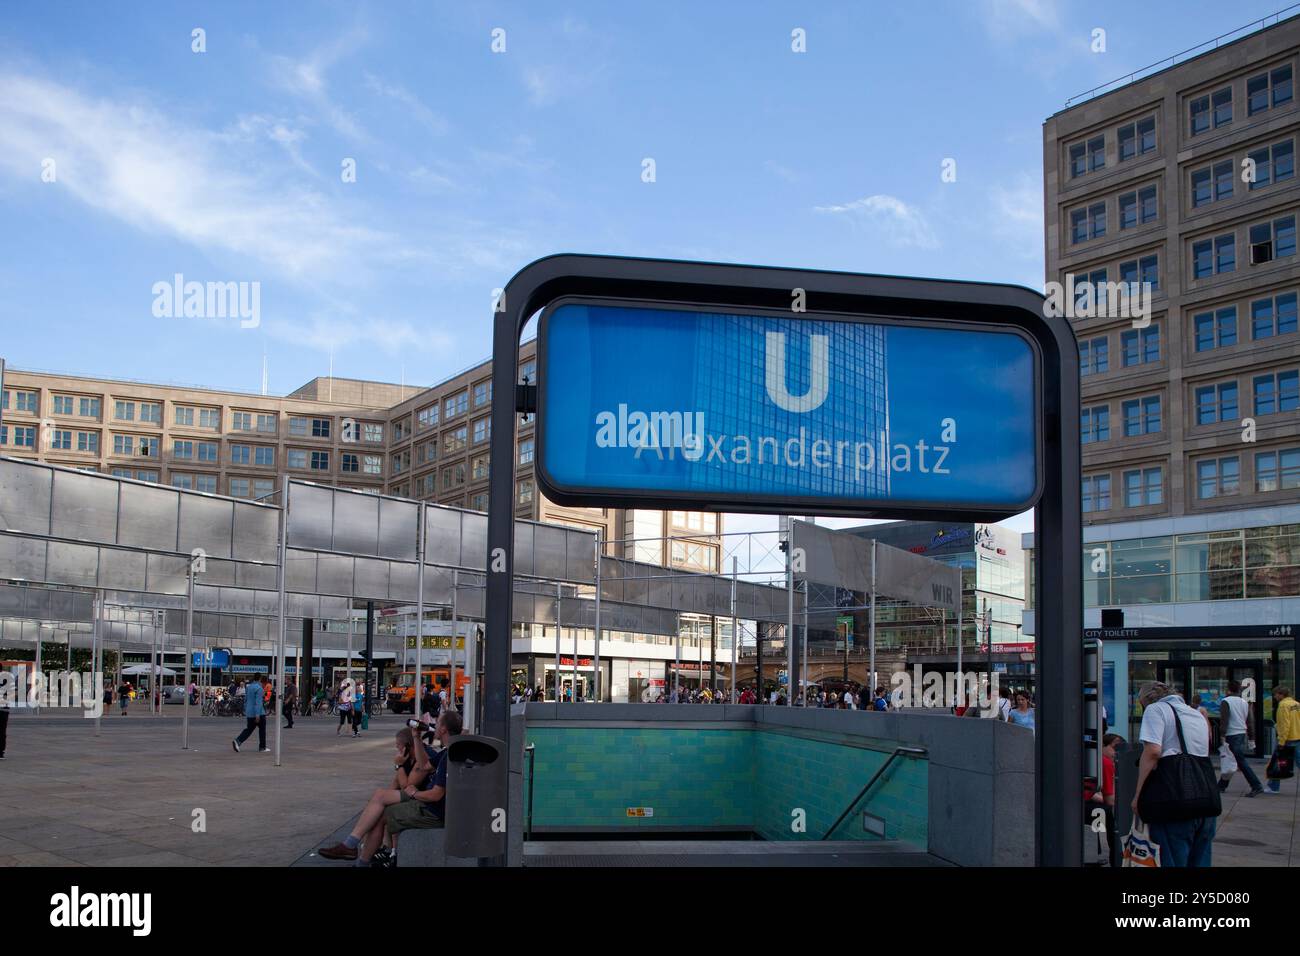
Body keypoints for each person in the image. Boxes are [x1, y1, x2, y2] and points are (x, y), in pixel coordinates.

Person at [1131, 681, 1218, 868]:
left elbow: (1153, 751)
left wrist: (1138, 795)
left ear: (1146, 700)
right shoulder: (1196, 713)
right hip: (1205, 800)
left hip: (1174, 801)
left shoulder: (1156, 710)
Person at [317, 727, 433, 865]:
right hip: (412, 798)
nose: (397, 749)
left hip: (422, 799)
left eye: (398, 746)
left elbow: (407, 786)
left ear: (408, 746)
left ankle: (351, 846)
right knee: (376, 810)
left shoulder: (424, 757)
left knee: (379, 798)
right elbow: (394, 785)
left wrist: (399, 766)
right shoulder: (409, 758)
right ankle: (355, 851)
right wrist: (376, 804)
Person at [382, 710, 464, 863]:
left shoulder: (449, 756)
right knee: (384, 806)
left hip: (433, 813)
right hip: (432, 808)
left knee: (385, 813)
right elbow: (425, 765)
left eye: (438, 722)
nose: (435, 725)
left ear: (444, 729)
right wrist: (416, 737)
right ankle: (385, 853)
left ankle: (382, 855)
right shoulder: (447, 751)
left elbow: (436, 794)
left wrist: (414, 794)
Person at [1218, 679, 1264, 796]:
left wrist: (1222, 735)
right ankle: (1221, 785)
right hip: (1241, 733)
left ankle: (1256, 785)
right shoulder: (1244, 702)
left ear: (1228, 689)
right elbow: (1250, 721)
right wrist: (1251, 737)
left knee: (1239, 761)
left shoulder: (1225, 701)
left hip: (1231, 734)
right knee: (1233, 759)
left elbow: (1225, 720)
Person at [1267, 686, 1300, 793]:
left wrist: (1281, 741)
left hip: (1287, 739)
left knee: (1277, 763)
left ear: (1281, 694)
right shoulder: (1296, 704)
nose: (1274, 697)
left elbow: (1285, 725)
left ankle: (1273, 787)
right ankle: (1273, 786)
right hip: (1297, 737)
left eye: (1275, 694)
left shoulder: (1283, 705)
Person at [232, 673, 268, 753]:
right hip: (259, 713)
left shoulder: (249, 687)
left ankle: (238, 741)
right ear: (260, 679)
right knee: (262, 730)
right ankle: (262, 747)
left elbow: (246, 699)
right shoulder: (259, 689)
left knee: (249, 729)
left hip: (249, 712)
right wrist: (258, 714)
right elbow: (258, 702)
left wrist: (246, 709)